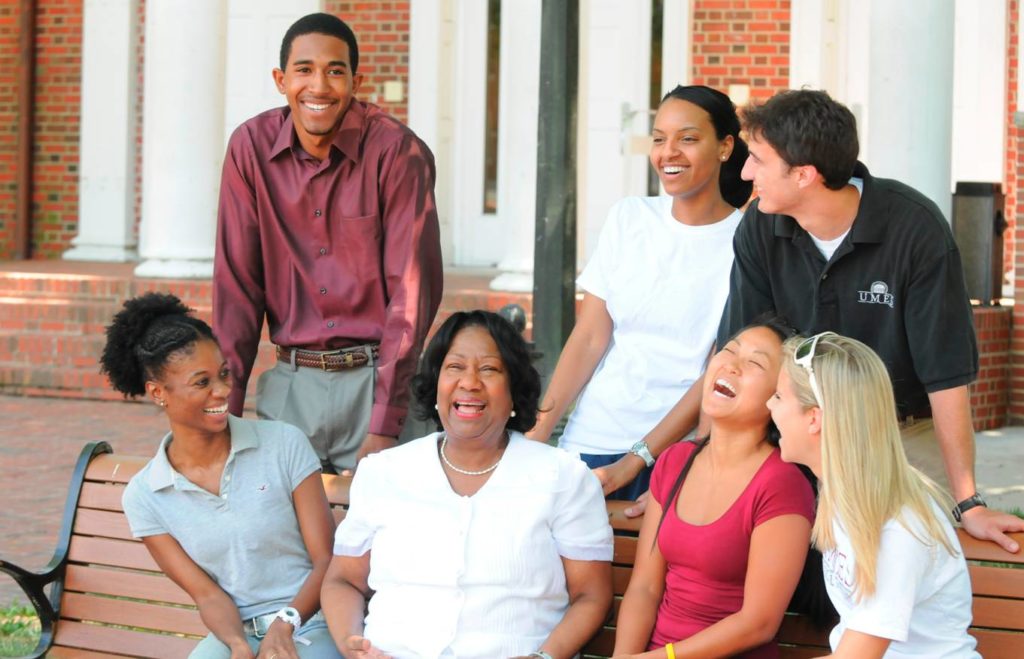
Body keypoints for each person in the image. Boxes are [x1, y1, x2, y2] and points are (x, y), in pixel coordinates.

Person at [699, 88, 1024, 551]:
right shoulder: (760, 226)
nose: (746, 172)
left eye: (757, 160)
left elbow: (946, 377)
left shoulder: (915, 229)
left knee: (902, 566)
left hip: (898, 434)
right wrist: (704, 461)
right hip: (796, 430)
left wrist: (967, 500)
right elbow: (741, 351)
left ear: (805, 175)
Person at [214, 12, 443, 474]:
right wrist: (224, 412)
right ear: (281, 80)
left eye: (335, 71)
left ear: (356, 80)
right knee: (285, 540)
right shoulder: (249, 150)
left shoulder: (397, 153)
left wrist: (385, 421)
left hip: (376, 379)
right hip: (291, 386)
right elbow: (236, 289)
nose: (318, 86)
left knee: (384, 542)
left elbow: (411, 293)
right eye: (304, 70)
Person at [321, 311, 613, 658]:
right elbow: (343, 580)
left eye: (488, 369)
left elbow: (591, 595)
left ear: (513, 390)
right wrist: (353, 647)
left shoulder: (562, 477)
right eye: (455, 367)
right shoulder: (384, 473)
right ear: (436, 385)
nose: (470, 382)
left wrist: (545, 656)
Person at [527, 85, 752, 501]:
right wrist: (539, 430)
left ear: (724, 147)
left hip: (673, 451)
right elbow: (590, 336)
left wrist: (658, 458)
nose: (669, 152)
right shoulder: (629, 217)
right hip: (591, 438)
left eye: (687, 138)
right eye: (659, 139)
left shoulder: (746, 242)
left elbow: (717, 368)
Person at [101, 293, 338, 659]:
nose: (224, 390)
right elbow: (207, 594)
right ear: (158, 393)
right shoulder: (146, 496)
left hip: (311, 621)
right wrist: (238, 646)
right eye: (202, 382)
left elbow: (326, 559)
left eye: (224, 374)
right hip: (234, 631)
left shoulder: (283, 444)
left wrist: (285, 624)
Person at [612, 319, 816, 658]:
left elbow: (758, 623)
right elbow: (645, 588)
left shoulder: (783, 483)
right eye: (729, 351)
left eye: (754, 363)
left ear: (778, 395)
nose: (731, 365)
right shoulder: (676, 460)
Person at [769, 332, 981, 658]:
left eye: (779, 397)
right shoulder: (845, 492)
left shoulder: (898, 525)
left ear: (814, 419)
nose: (769, 404)